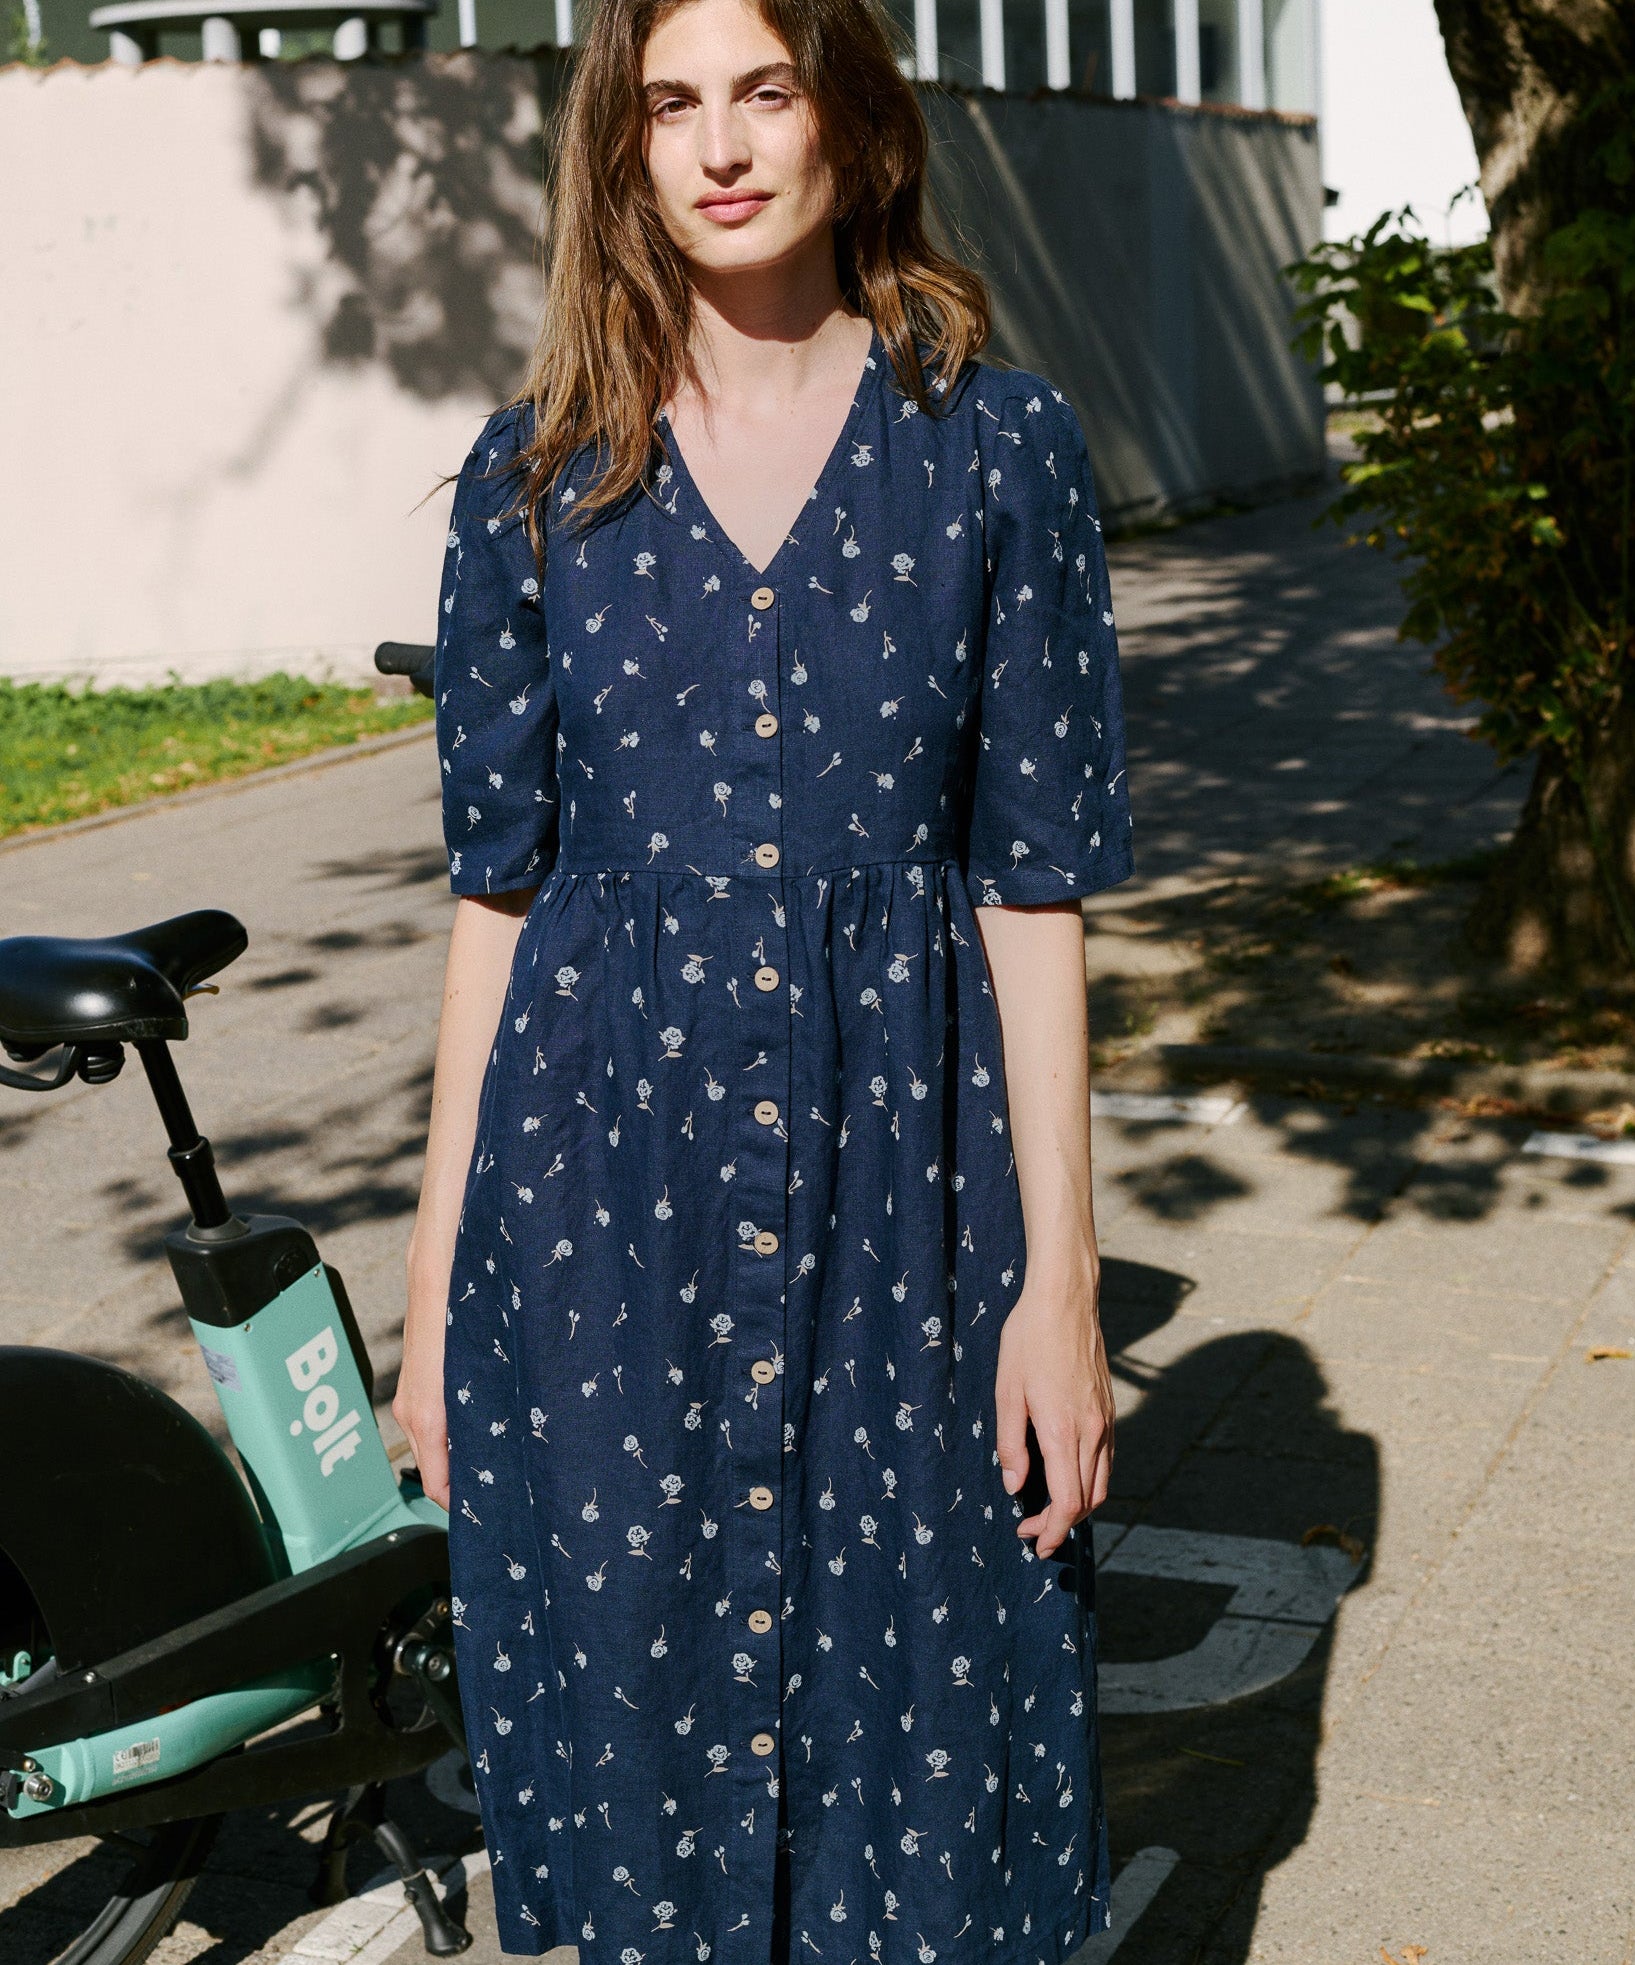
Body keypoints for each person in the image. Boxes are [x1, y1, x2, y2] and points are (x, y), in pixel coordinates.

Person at [393, 0, 1135, 1956]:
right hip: (602, 1223)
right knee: (647, 1757)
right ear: (622, 150)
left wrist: (1063, 1286)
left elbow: (1036, 892)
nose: (718, 147)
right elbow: (497, 904)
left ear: (850, 122)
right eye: (670, 105)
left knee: (924, 1771)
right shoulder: (539, 474)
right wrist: (432, 1291)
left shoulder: (997, 449)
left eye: (763, 90)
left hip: (913, 1216)